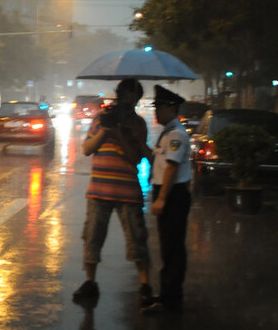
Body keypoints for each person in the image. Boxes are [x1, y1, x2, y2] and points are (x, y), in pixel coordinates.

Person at [73, 78, 153, 305]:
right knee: (92, 238)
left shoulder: (138, 124)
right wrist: (105, 131)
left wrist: (119, 134)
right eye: (124, 97)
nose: (127, 102)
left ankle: (145, 284)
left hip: (128, 190)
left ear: (136, 100)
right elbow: (87, 149)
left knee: (137, 238)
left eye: (131, 98)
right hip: (99, 189)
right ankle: (90, 282)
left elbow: (136, 158)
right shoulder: (101, 118)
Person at [145, 85, 192, 313]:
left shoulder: (176, 135)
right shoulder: (167, 133)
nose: (157, 112)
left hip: (173, 194)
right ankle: (166, 294)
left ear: (172, 108)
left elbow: (171, 168)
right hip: (168, 192)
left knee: (172, 247)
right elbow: (159, 161)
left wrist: (162, 199)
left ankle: (170, 299)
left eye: (160, 107)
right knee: (167, 246)